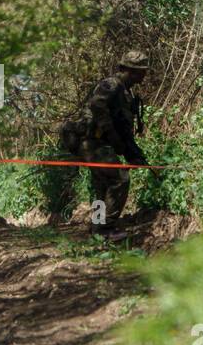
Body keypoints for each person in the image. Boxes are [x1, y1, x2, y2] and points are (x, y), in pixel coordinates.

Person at [53, 50, 149, 237]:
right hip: (89, 141)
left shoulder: (126, 94)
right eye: (139, 71)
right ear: (126, 70)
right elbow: (97, 105)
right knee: (119, 179)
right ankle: (105, 229)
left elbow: (125, 132)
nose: (143, 75)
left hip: (98, 144)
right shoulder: (111, 85)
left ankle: (98, 228)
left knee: (102, 185)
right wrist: (112, 135)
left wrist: (133, 154)